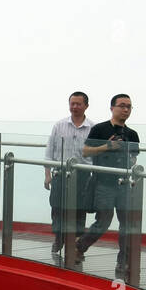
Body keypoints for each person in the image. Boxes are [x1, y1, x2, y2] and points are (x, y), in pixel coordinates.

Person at [78, 95, 140, 278]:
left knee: (127, 224)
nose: (126, 110)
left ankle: (123, 261)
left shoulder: (132, 134)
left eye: (129, 106)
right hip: (103, 183)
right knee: (104, 220)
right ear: (112, 108)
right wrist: (107, 146)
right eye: (122, 106)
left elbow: (134, 158)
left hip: (124, 184)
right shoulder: (100, 129)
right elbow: (86, 151)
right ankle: (80, 246)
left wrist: (127, 158)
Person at [44, 92, 94, 263]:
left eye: (78, 104)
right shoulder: (59, 125)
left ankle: (76, 244)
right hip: (60, 172)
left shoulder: (92, 128)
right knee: (57, 206)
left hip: (83, 175)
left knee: (80, 209)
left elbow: (96, 156)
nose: (75, 107)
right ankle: (59, 237)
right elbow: (49, 152)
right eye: (72, 103)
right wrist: (47, 175)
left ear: (86, 106)